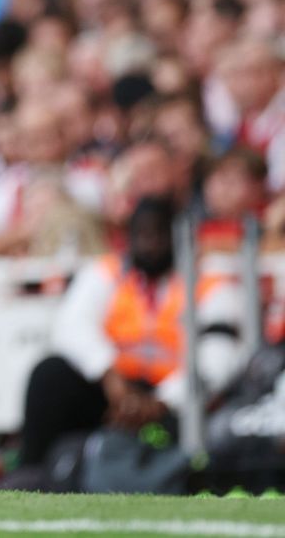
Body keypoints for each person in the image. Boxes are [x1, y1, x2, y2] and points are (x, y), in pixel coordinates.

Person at [16, 196, 243, 471]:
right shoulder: (107, 272)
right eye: (142, 235)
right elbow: (71, 327)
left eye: (159, 234)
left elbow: (218, 359)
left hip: (176, 399)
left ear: (178, 236)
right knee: (50, 374)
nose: (149, 245)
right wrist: (110, 377)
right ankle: (32, 473)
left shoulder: (208, 282)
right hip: (114, 389)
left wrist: (162, 400)